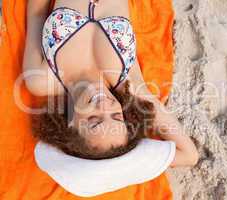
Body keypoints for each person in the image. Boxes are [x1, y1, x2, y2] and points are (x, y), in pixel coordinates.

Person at [23, 0, 199, 167]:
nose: (105, 106)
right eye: (116, 116)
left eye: (94, 120)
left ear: (70, 128)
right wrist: (124, 164)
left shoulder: (40, 79)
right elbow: (189, 155)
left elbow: (37, 14)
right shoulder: (129, 84)